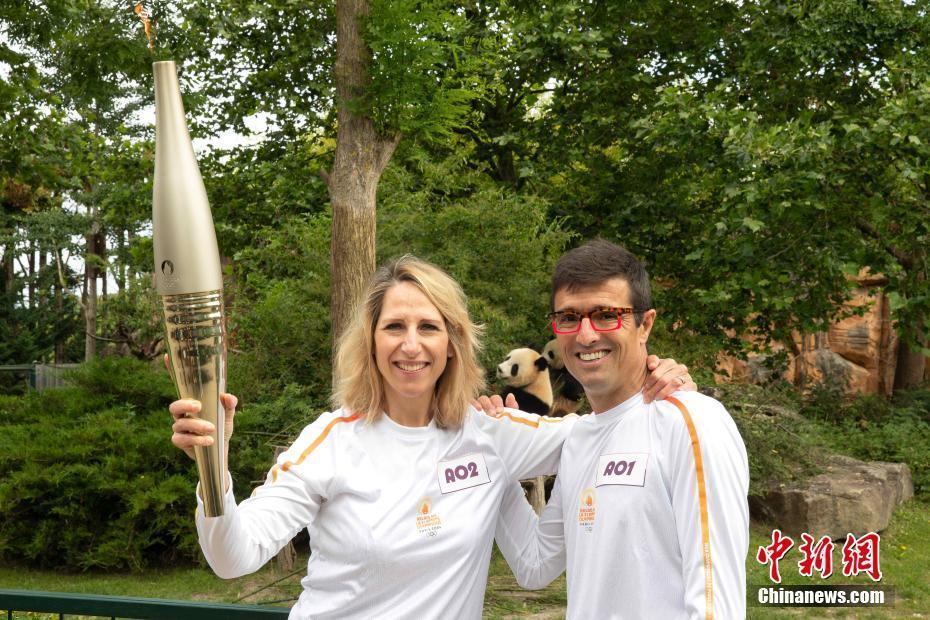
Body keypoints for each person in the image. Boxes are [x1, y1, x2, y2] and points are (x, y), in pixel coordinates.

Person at [169, 254, 693, 618]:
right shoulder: (331, 439)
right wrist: (212, 469)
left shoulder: (490, 433)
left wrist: (656, 377)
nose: (411, 345)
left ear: (452, 343)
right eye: (394, 327)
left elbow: (600, 428)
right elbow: (232, 557)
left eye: (429, 327)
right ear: (371, 342)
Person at [493, 240, 749, 619]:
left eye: (606, 315)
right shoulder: (579, 438)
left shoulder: (690, 422)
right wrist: (487, 458)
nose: (586, 335)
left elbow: (716, 605)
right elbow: (535, 564)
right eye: (569, 318)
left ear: (645, 325)